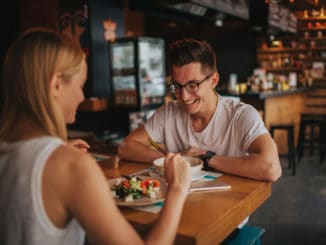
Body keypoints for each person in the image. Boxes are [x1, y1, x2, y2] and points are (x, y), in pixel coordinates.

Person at [0, 28, 191, 245]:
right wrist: (177, 189)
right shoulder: (73, 166)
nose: (82, 96)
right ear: (55, 84)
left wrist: (59, 148)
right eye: (81, 85)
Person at [118, 38, 282, 182]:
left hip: (227, 206)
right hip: (179, 203)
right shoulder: (169, 112)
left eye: (192, 85)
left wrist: (208, 159)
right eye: (177, 86)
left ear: (214, 80)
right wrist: (176, 159)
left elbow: (271, 168)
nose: (184, 96)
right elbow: (126, 147)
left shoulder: (241, 115)